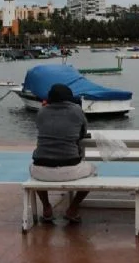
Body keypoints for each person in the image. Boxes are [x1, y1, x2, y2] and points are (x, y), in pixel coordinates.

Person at [29, 84, 96, 223]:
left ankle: (46, 207)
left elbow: (40, 128)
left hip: (41, 168)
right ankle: (73, 208)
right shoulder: (76, 110)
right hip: (70, 168)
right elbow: (82, 133)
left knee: (34, 173)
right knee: (93, 172)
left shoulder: (41, 112)